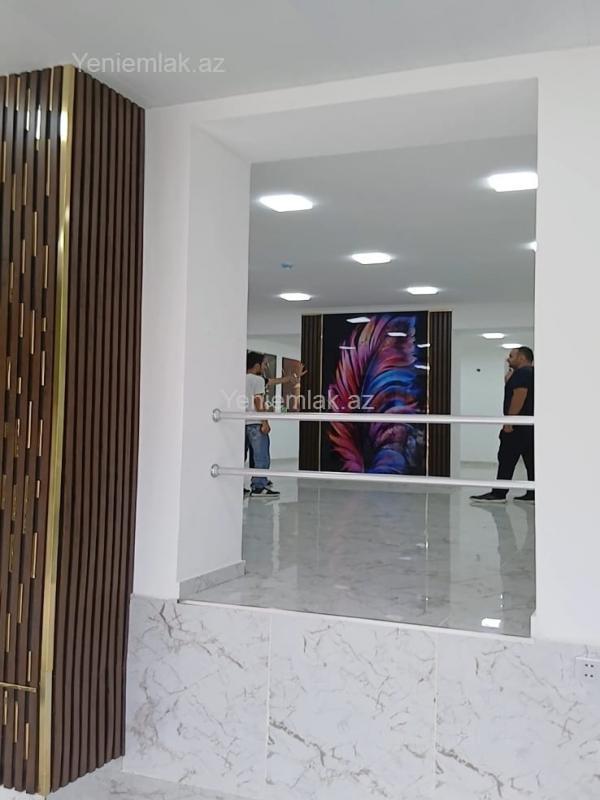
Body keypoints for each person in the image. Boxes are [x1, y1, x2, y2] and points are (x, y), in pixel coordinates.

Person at [471, 346, 535, 504]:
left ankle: (499, 494)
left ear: (522, 358)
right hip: (529, 427)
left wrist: (509, 421)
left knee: (506, 458)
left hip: (518, 427)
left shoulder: (522, 373)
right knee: (531, 460)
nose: (508, 358)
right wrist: (508, 381)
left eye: (511, 356)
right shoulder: (532, 373)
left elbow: (520, 396)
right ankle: (533, 492)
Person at [245, 352, 280, 498]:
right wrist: (265, 422)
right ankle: (259, 487)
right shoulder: (257, 379)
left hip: (241, 423)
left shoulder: (239, 378)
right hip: (255, 423)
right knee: (261, 457)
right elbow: (258, 401)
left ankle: (238, 487)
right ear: (257, 365)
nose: (265, 367)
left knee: (240, 456)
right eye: (264, 364)